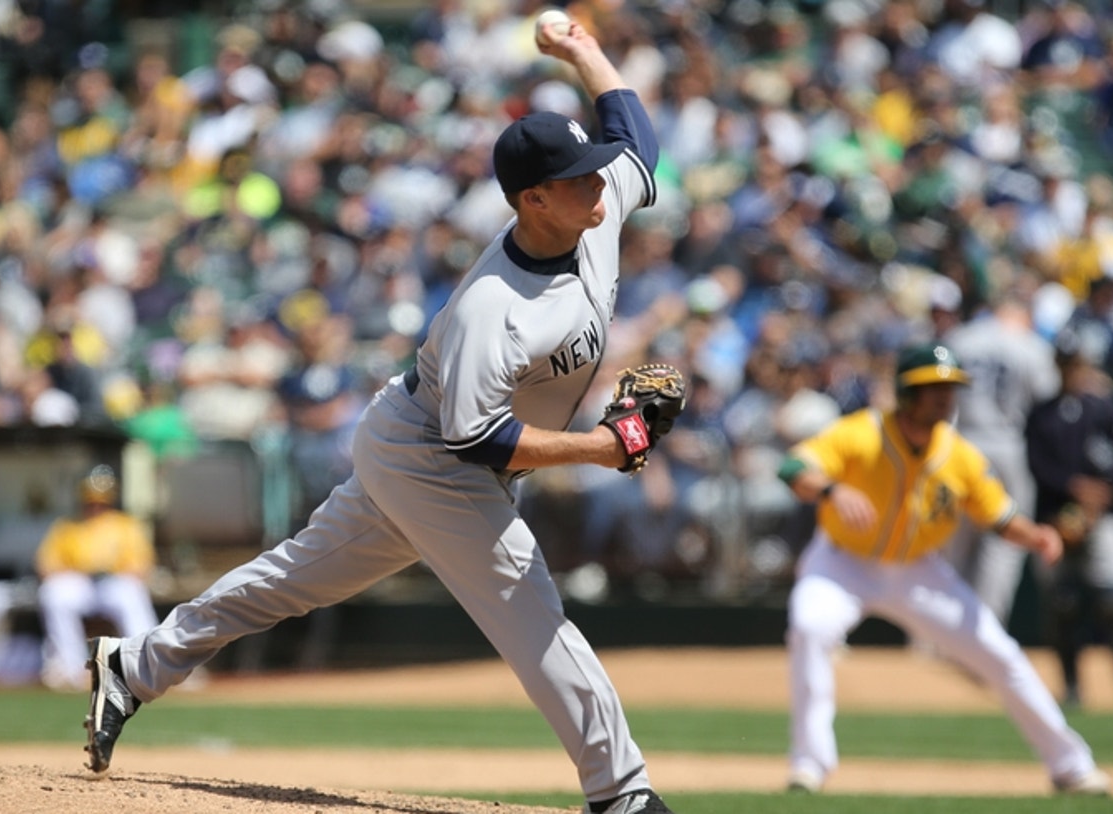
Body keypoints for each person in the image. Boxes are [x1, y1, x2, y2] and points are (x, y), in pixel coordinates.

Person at [82, 20, 677, 814]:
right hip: (432, 455)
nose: (601, 185)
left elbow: (632, 134)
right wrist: (603, 449)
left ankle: (135, 667)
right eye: (579, 179)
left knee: (290, 581)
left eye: (595, 173)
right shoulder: (492, 308)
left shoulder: (593, 214)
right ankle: (623, 795)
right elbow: (480, 441)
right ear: (533, 199)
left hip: (422, 440)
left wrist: (580, 53)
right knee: (532, 614)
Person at [778, 342, 1110, 796]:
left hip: (918, 570)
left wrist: (1036, 536)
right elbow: (794, 466)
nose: (943, 397)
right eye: (932, 387)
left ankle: (1072, 765)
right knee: (810, 626)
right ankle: (809, 765)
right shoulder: (862, 432)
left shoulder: (960, 456)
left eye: (949, 387)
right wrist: (832, 490)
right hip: (841, 562)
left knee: (1001, 655)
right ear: (905, 392)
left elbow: (1000, 517)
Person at [1024, 329, 1113, 710]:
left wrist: (1103, 492)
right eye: (1066, 363)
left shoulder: (1104, 407)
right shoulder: (1043, 413)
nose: (1072, 370)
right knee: (1062, 606)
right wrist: (1073, 487)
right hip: (1056, 519)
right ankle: (1072, 688)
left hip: (1103, 517)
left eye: (1077, 363)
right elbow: (1038, 465)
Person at [944, 292, 1060, 625]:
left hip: (961, 443)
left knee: (952, 543)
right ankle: (986, 627)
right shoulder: (1031, 344)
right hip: (1008, 444)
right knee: (1006, 542)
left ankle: (934, 635)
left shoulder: (960, 339)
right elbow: (1047, 395)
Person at [37, 465, 158, 691]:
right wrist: (81, 571)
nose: (95, 507)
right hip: (80, 584)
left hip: (112, 584)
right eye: (91, 502)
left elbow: (141, 568)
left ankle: (149, 665)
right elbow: (46, 567)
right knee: (54, 594)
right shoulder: (67, 526)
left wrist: (108, 570)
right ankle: (69, 668)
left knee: (130, 593)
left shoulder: (125, 525)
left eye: (101, 502)